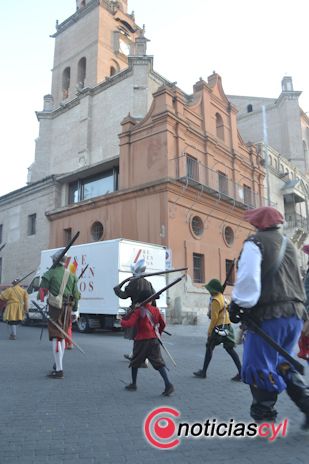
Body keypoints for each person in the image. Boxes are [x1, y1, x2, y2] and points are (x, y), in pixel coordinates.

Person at [229, 206, 309, 429]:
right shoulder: (289, 244)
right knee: (283, 363)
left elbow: (248, 281)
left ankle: (265, 418)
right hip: (294, 316)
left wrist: (237, 304)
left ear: (257, 224)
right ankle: (306, 403)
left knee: (258, 366)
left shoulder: (255, 243)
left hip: (269, 317)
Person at [120, 288, 174, 396]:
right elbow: (162, 325)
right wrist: (158, 333)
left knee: (135, 362)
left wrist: (121, 321)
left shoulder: (138, 311)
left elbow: (129, 323)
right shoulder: (155, 310)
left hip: (141, 341)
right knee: (158, 363)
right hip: (154, 340)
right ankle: (168, 384)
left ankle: (134, 384)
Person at [38, 250, 80, 379]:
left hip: (55, 308)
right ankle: (58, 364)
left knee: (56, 336)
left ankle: (59, 370)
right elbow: (77, 295)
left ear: (54, 261)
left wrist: (43, 295)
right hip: (68, 308)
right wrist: (75, 310)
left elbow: (41, 294)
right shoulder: (71, 275)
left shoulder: (49, 273)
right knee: (62, 336)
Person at [193, 279, 242, 381]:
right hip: (227, 326)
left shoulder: (215, 300)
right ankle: (241, 372)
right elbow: (227, 307)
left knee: (209, 347)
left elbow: (214, 318)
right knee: (230, 349)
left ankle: (203, 372)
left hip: (219, 327)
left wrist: (210, 331)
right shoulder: (223, 298)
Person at [114, 258, 155, 365]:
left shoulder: (133, 283)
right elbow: (154, 298)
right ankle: (135, 355)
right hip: (147, 313)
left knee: (138, 336)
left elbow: (124, 295)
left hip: (136, 312)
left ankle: (142, 359)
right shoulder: (148, 283)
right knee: (140, 334)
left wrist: (117, 289)